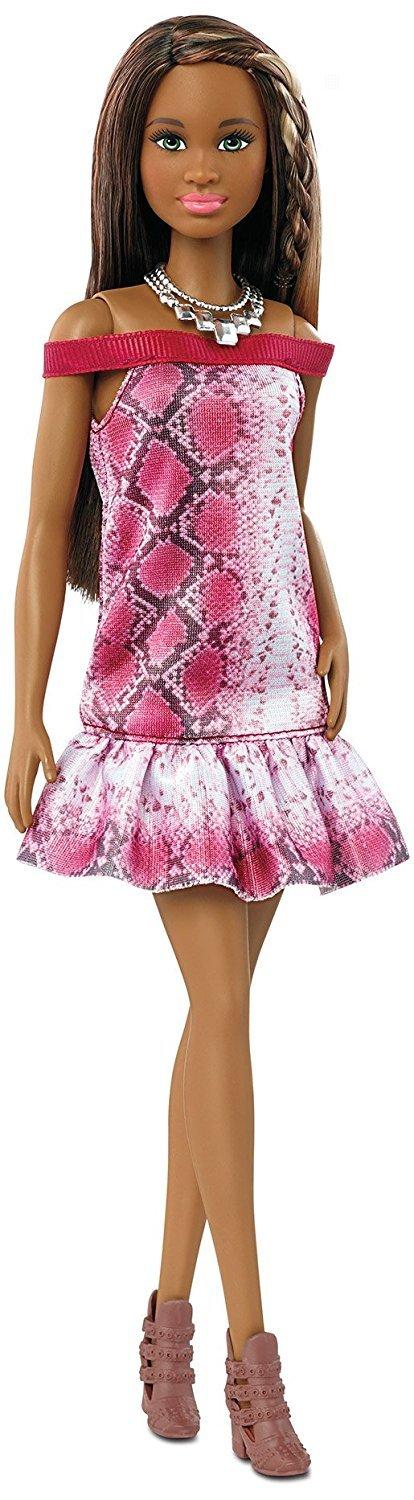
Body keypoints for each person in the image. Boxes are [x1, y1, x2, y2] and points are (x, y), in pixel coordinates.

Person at [5, 16, 409, 1479]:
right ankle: (255, 1354)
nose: (200, 164)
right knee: (224, 1012)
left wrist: (337, 614)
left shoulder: (292, 334)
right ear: (130, 155)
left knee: (215, 1020)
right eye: (171, 137)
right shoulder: (98, 327)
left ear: (271, 160)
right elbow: (45, 534)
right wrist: (23, 710)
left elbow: (282, 497)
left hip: (277, 710)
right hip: (160, 719)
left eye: (231, 138)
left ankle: (163, 1320)